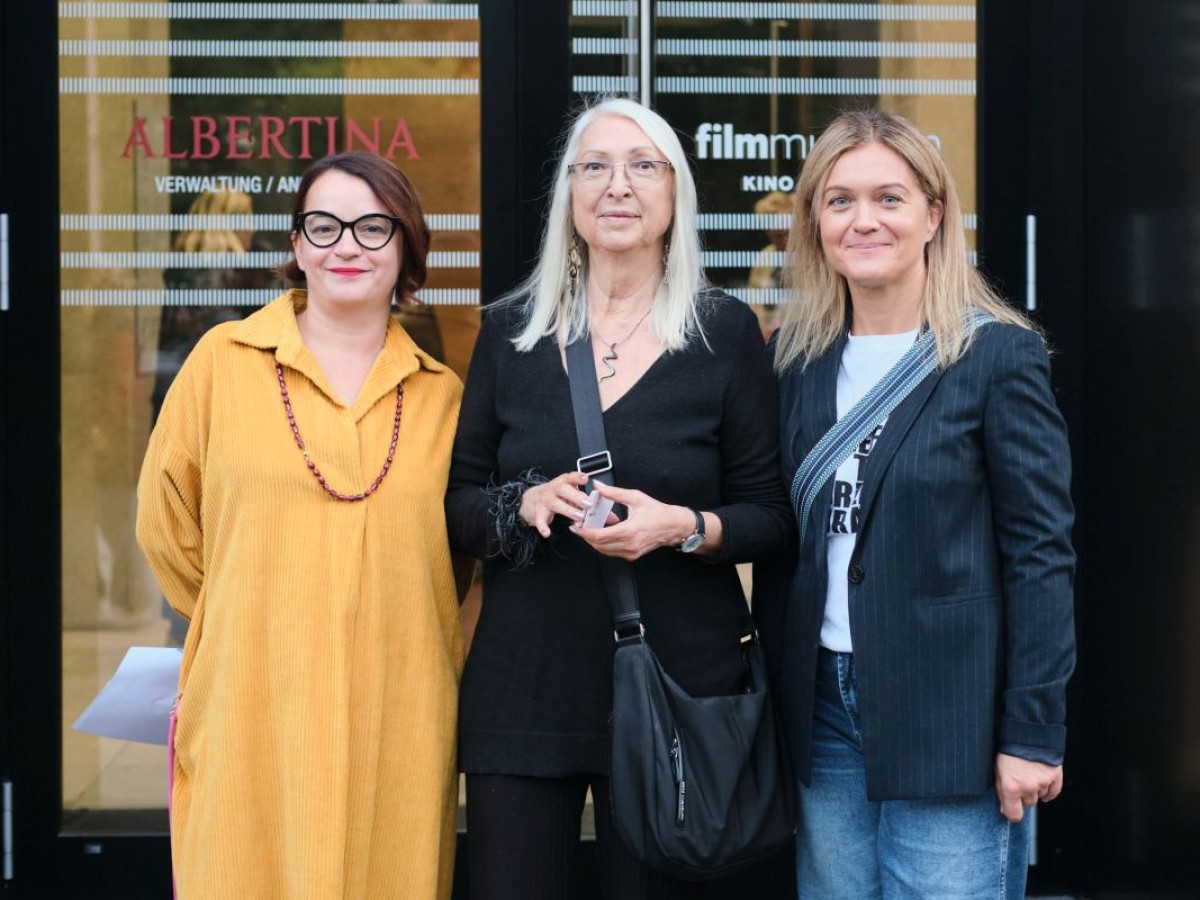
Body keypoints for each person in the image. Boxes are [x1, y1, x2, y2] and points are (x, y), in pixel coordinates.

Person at [445, 97, 792, 900]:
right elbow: (459, 501)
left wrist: (684, 527)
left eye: (644, 165)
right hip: (526, 683)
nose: (617, 185)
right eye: (594, 166)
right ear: (570, 196)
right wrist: (521, 506)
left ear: (675, 195)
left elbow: (770, 517)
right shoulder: (512, 333)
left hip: (677, 682)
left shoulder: (725, 333)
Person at [758, 108, 1076, 898]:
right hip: (824, 705)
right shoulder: (796, 364)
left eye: (889, 199)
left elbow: (1041, 556)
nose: (864, 220)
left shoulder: (997, 357)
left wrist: (1032, 732)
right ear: (815, 223)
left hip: (952, 717)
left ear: (935, 215)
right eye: (839, 201)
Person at [136, 151, 463, 899]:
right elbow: (166, 527)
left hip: (400, 704)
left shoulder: (443, 396)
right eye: (325, 225)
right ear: (294, 246)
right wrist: (252, 612)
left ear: (407, 247)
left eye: (373, 228)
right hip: (254, 693)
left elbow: (453, 560)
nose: (347, 245)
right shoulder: (222, 362)